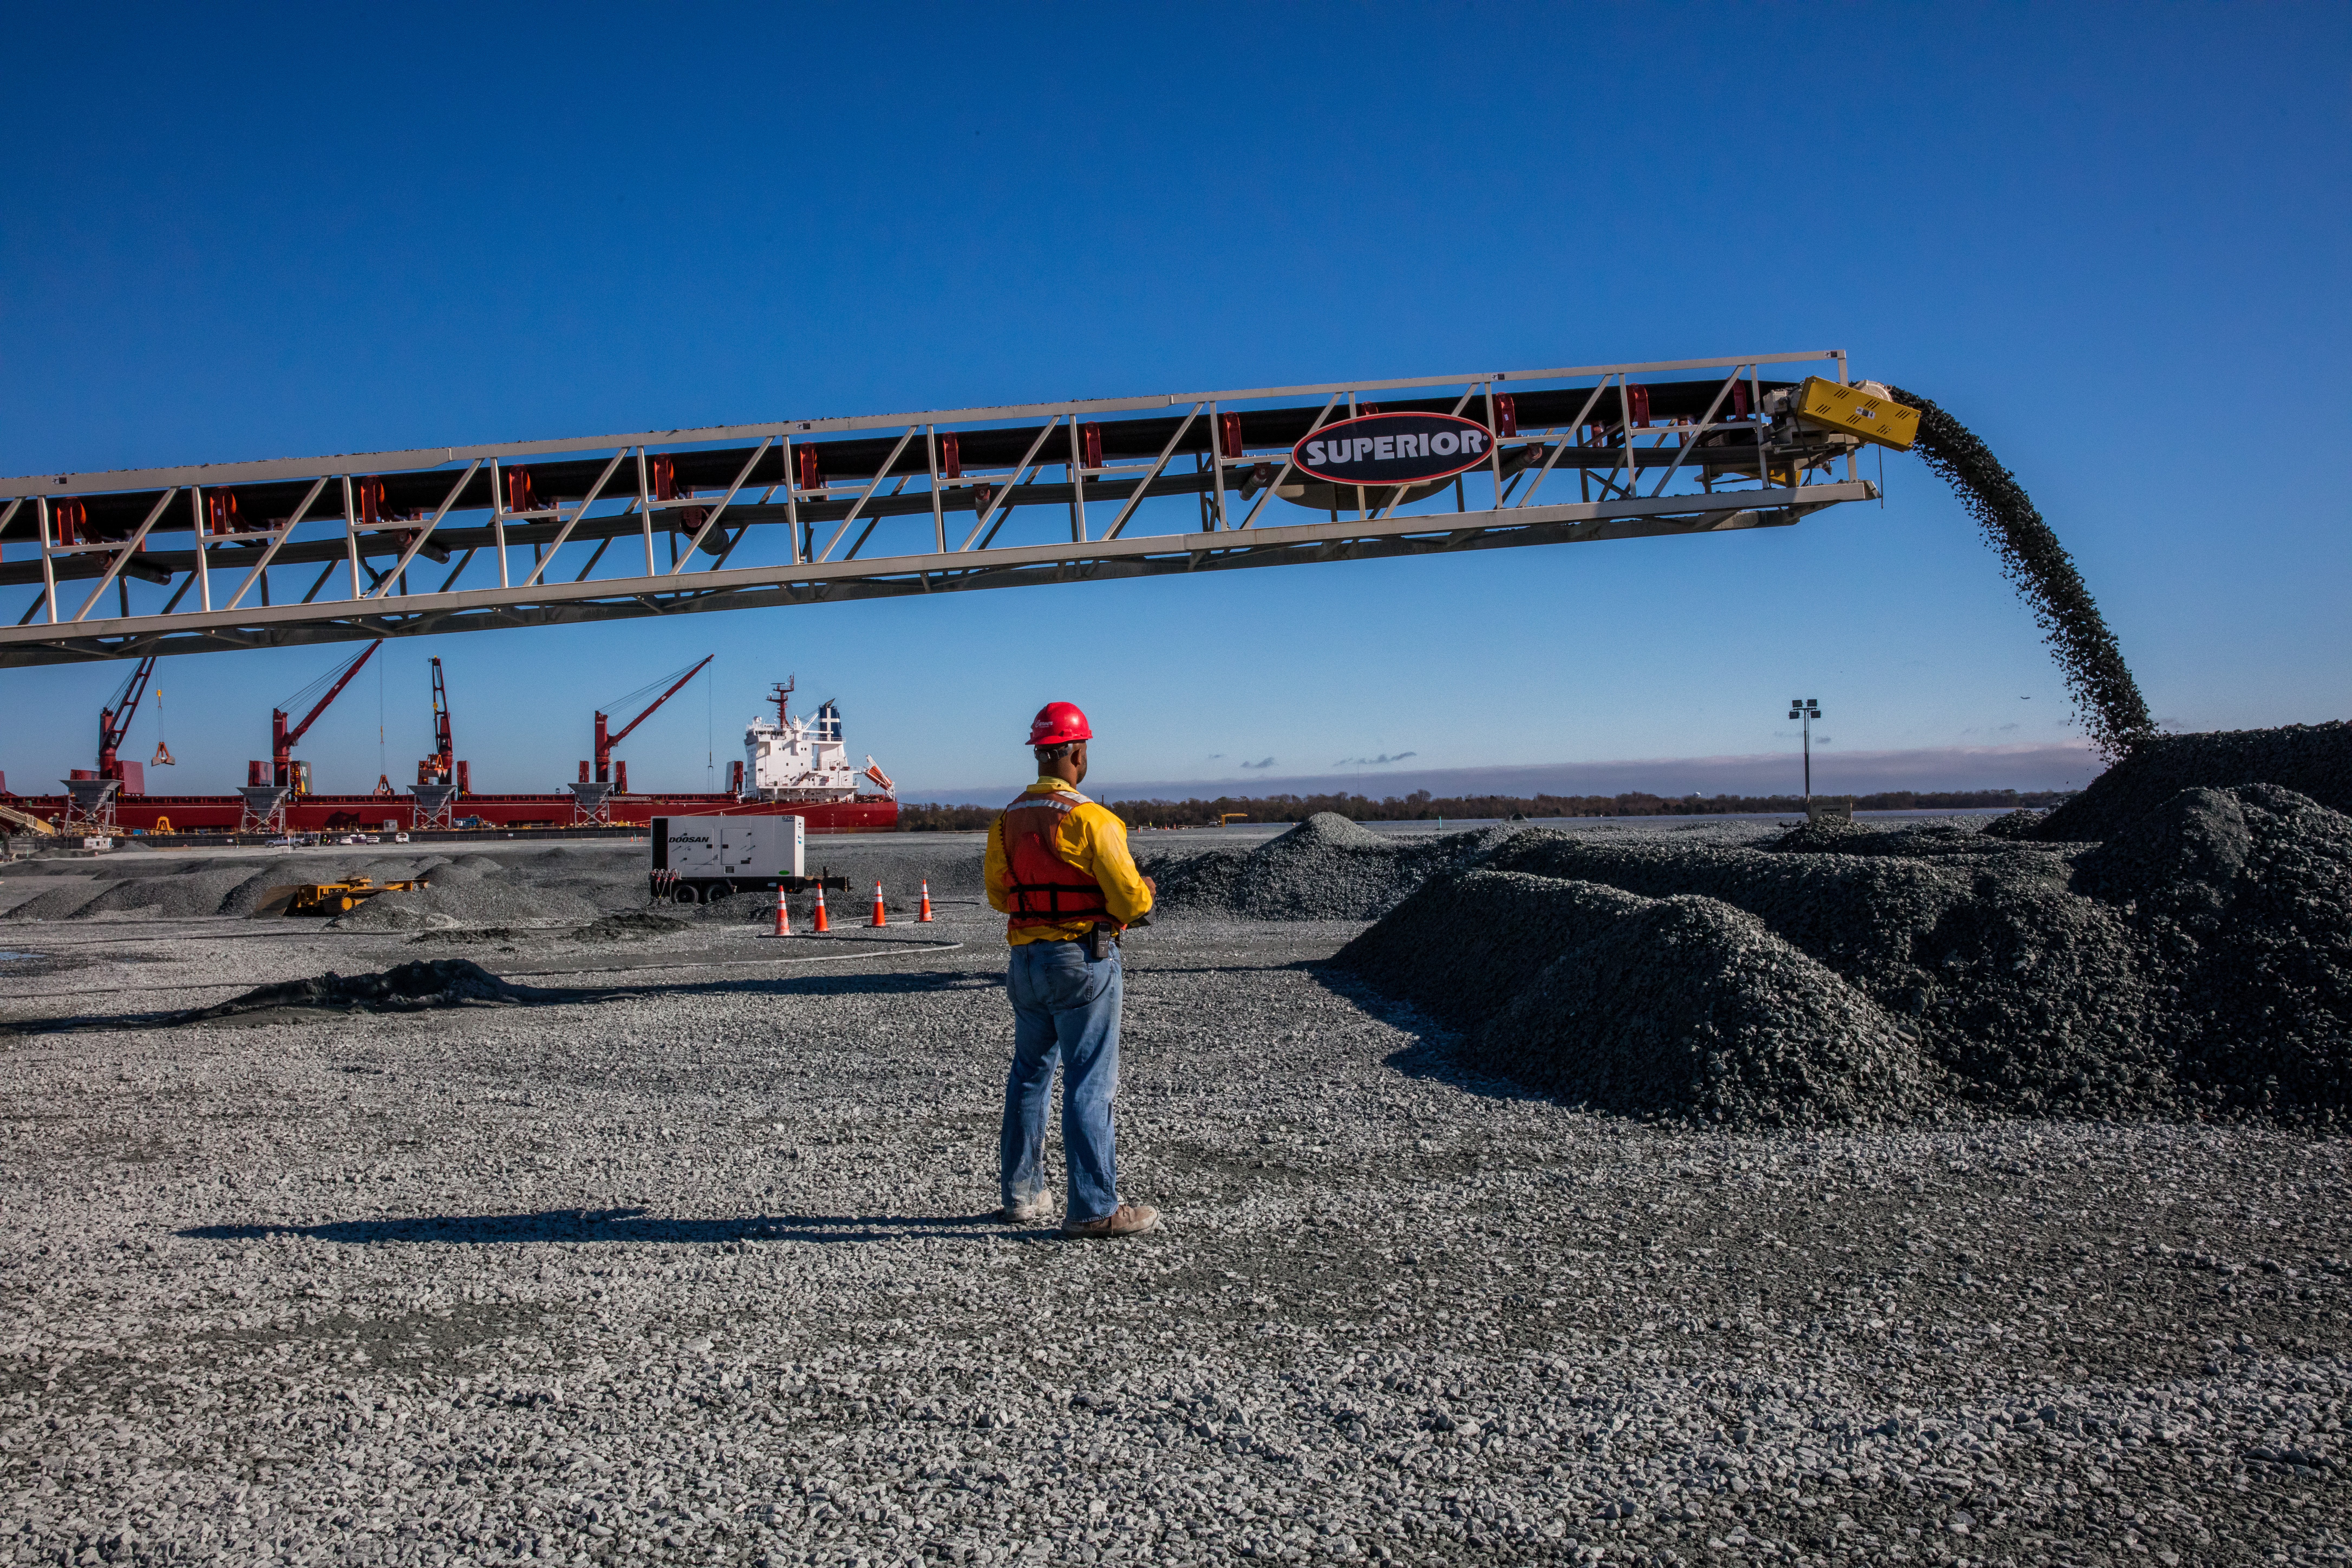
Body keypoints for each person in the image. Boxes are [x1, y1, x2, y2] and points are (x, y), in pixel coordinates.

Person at [984, 701, 1160, 1239]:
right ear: (1078, 753)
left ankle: (1022, 1195)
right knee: (1090, 1082)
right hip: (1081, 961)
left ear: (1040, 753)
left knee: (1029, 1076)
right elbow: (1129, 900)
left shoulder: (1006, 820)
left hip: (1025, 961)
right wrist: (1146, 892)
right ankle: (1093, 1208)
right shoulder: (1092, 819)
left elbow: (998, 896)